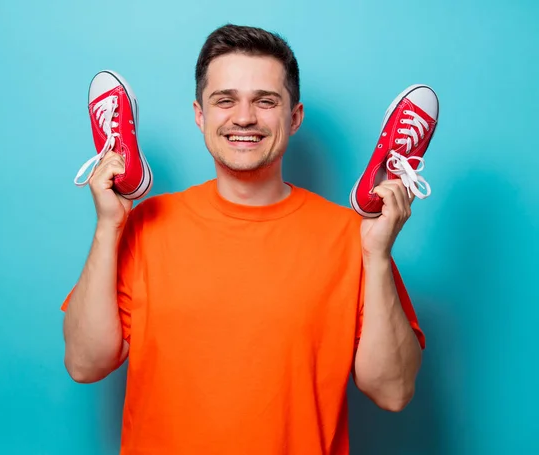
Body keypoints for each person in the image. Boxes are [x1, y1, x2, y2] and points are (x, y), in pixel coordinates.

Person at [61, 23, 426, 455]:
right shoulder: (145, 225)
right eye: (225, 100)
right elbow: (85, 364)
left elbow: (392, 391)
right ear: (200, 115)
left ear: (294, 118)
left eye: (265, 101)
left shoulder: (355, 237)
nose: (244, 117)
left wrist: (378, 256)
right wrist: (109, 226)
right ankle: (122, 164)